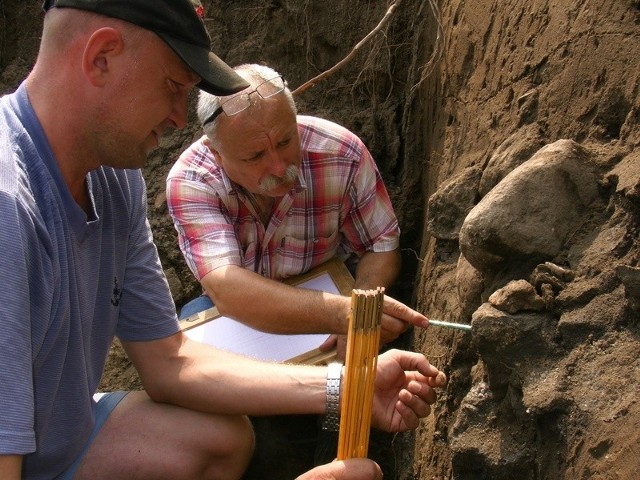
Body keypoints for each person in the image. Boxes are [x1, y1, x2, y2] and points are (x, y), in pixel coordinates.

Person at [0, 1, 447, 479]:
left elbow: (169, 360)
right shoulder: (8, 209)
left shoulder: (113, 179)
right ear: (101, 57)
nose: (179, 117)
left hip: (62, 431)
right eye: (173, 86)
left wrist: (350, 388)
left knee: (221, 442)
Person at [167, 63, 429, 357]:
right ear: (217, 153)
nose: (279, 167)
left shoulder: (342, 154)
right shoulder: (193, 181)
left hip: (332, 287)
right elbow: (227, 289)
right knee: (191, 351)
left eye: (286, 141)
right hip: (243, 309)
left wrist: (364, 301)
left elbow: (381, 245)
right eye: (255, 156)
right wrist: (346, 315)